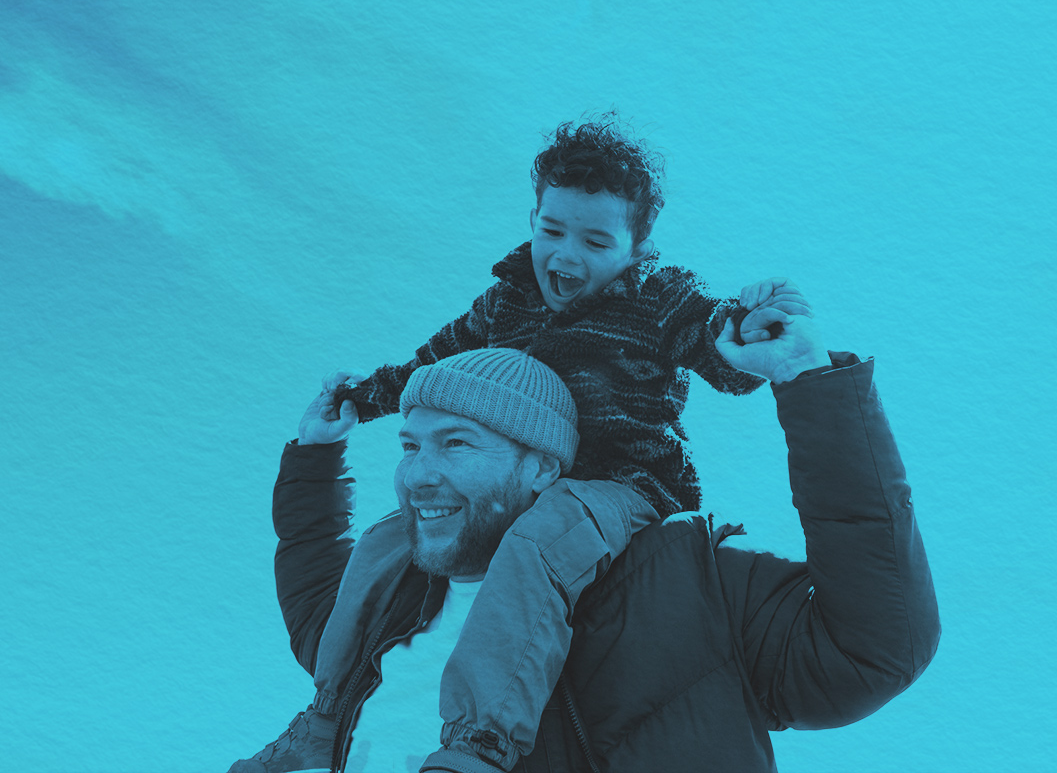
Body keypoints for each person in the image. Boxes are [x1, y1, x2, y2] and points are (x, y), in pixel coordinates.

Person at [227, 294, 940, 772]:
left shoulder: (684, 584)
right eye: (409, 447)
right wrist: (313, 454)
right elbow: (314, 575)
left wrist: (806, 379)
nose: (417, 474)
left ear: (542, 469)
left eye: (455, 445)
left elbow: (872, 648)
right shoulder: (385, 603)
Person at [308, 115, 797, 770]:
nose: (566, 256)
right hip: (518, 485)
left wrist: (749, 330)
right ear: (533, 219)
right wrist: (360, 399)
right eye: (552, 230)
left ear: (635, 249)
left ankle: (484, 740)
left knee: (540, 538)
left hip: (618, 485)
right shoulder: (505, 301)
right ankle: (322, 718)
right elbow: (436, 366)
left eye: (596, 240)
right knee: (383, 541)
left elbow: (711, 337)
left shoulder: (657, 299)